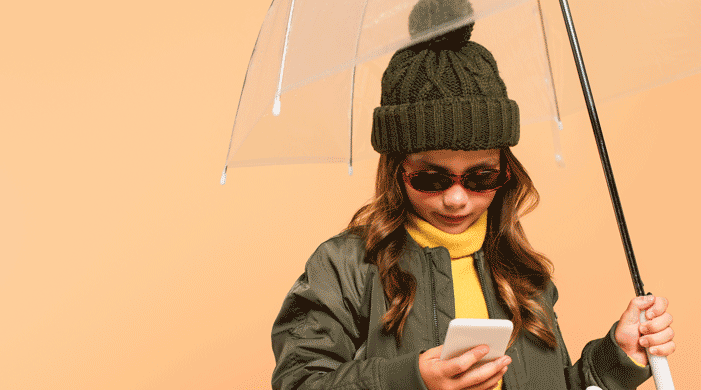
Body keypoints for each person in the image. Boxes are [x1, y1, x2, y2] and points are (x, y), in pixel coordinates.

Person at [270, 1, 675, 389]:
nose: (457, 199)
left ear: (506, 170)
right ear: (397, 172)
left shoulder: (522, 272)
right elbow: (300, 382)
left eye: (481, 178)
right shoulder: (344, 268)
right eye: (432, 179)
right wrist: (412, 380)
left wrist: (618, 358)